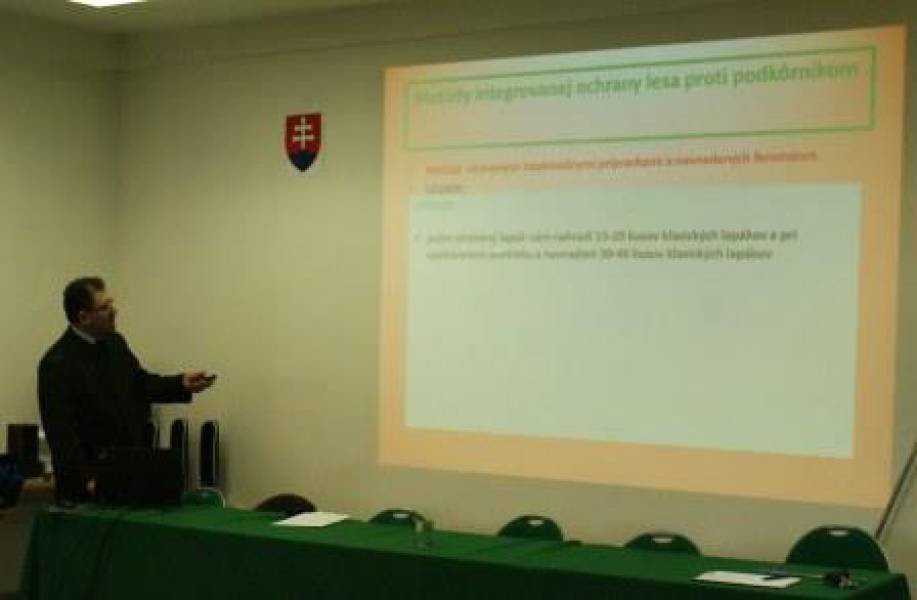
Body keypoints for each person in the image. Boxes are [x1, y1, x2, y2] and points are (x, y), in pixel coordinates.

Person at [37, 276, 214, 502]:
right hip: (87, 489)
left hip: (127, 470)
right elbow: (61, 434)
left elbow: (140, 383)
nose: (114, 311)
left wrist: (181, 383)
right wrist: (86, 479)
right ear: (83, 317)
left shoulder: (115, 344)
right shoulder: (57, 363)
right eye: (105, 307)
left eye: (111, 304)